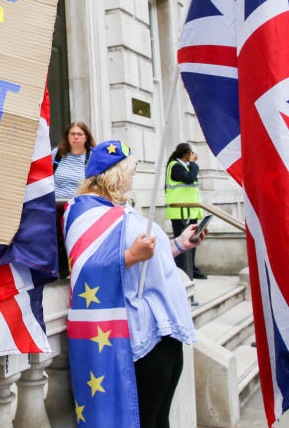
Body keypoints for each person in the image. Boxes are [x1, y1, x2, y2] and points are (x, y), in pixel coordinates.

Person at [68, 140, 206, 427]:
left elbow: (149, 257)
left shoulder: (122, 210)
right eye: (130, 169)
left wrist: (181, 244)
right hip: (139, 336)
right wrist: (131, 254)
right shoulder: (84, 212)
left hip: (165, 330)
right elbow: (86, 267)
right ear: (114, 173)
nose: (133, 175)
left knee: (159, 420)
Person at [52, 122, 96, 277]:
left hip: (80, 208)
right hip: (56, 207)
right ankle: (60, 273)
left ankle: (78, 272)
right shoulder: (57, 154)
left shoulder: (93, 156)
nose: (76, 137)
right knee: (57, 242)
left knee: (76, 240)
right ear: (67, 137)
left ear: (86, 137)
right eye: (72, 134)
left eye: (80, 134)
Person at [164, 142, 206, 279]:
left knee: (192, 240)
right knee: (182, 243)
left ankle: (191, 268)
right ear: (186, 153)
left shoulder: (184, 166)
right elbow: (189, 178)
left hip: (189, 210)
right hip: (180, 212)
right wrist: (194, 164)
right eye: (191, 153)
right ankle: (183, 270)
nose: (193, 155)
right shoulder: (175, 167)